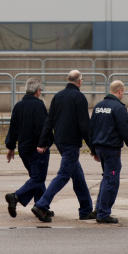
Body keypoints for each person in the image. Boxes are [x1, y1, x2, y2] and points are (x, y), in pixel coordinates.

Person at [31, 70, 95, 223]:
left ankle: (86, 209)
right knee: (64, 174)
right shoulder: (79, 97)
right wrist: (93, 148)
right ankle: (41, 204)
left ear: (68, 80)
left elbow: (49, 122)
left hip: (60, 142)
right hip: (71, 143)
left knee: (77, 175)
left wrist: (42, 142)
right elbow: (85, 125)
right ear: (79, 81)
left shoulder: (57, 96)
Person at [90, 80, 128, 224]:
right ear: (119, 91)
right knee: (111, 181)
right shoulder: (119, 108)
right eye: (123, 92)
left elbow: (91, 129)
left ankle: (99, 208)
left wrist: (93, 150)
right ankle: (103, 213)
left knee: (106, 178)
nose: (123, 94)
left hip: (99, 148)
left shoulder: (98, 106)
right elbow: (125, 131)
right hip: (111, 149)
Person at [4, 77, 51, 218]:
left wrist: (11, 147)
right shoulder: (38, 105)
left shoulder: (18, 106)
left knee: (36, 178)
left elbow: (14, 128)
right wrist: (44, 144)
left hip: (24, 150)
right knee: (38, 178)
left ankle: (42, 207)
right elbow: (43, 128)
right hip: (37, 150)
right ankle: (16, 196)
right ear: (37, 91)